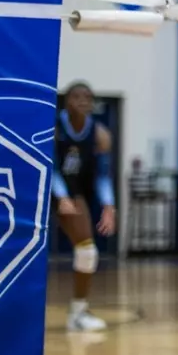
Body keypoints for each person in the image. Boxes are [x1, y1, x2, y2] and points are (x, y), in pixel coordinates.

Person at [51, 81, 116, 332]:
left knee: (88, 250)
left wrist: (108, 206)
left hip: (74, 192)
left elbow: (102, 176)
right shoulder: (53, 127)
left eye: (88, 97)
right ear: (66, 102)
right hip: (44, 188)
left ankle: (78, 313)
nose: (83, 101)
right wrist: (60, 196)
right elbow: (52, 168)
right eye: (77, 96)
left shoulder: (101, 135)